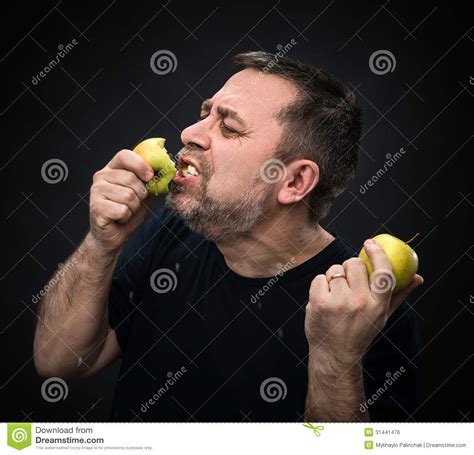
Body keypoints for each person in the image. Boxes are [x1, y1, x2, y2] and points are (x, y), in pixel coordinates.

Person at [34, 51, 423, 422]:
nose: (190, 132)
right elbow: (59, 361)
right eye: (205, 113)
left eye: (229, 127)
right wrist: (102, 245)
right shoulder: (171, 232)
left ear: (294, 181)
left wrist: (335, 361)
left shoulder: (366, 308)